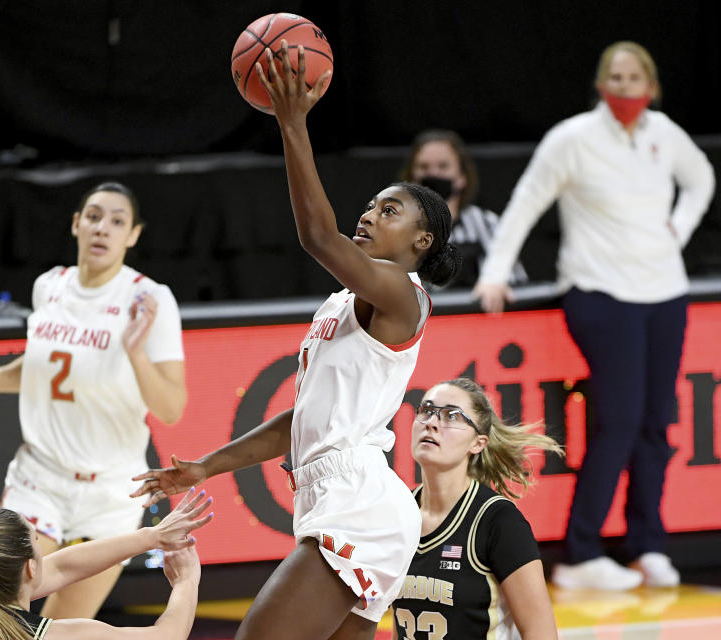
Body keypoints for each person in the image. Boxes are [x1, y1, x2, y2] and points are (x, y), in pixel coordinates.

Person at [132, 42, 462, 640]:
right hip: (336, 496)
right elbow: (300, 421)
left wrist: (292, 123)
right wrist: (206, 466)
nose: (368, 216)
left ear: (421, 243)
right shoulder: (345, 303)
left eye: (389, 211)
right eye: (368, 206)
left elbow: (316, 236)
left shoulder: (402, 294)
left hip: (359, 502)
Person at [473, 41, 715, 589]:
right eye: (615, 76)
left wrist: (679, 226)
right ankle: (582, 552)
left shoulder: (663, 133)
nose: (624, 87)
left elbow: (701, 177)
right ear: (601, 84)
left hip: (665, 293)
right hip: (601, 293)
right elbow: (526, 201)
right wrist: (495, 271)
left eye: (634, 78)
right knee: (620, 420)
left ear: (651, 86)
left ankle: (646, 543)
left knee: (657, 423)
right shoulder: (572, 139)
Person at [0, 181, 187, 619]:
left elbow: (171, 408)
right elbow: (45, 363)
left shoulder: (150, 299)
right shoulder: (49, 286)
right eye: (94, 217)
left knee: (64, 624)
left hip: (113, 488)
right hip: (42, 475)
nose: (103, 229)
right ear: (76, 224)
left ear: (133, 235)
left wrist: (134, 353)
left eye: (117, 221)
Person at [391, 378, 562, 640]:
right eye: (426, 410)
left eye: (452, 416)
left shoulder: (499, 521)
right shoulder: (399, 513)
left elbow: (541, 632)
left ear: (478, 443)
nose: (432, 423)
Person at [0, 487, 213, 640]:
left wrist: (153, 537)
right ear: (29, 568)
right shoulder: (61, 636)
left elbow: (63, 567)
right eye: (37, 541)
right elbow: (167, 636)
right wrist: (186, 581)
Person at [398, 129, 528, 288]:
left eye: (443, 166)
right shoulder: (393, 228)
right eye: (424, 167)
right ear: (411, 178)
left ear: (462, 177)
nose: (433, 174)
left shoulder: (487, 223)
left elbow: (516, 284)